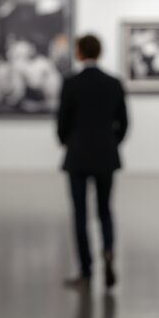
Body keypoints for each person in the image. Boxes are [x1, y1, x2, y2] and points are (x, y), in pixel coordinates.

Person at [57, 34, 128, 290]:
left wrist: (69, 142)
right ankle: (108, 251)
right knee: (105, 210)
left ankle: (86, 270)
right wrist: (111, 143)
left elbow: (62, 122)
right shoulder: (114, 83)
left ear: (79, 53)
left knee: (80, 214)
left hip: (77, 155)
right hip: (106, 155)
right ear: (99, 53)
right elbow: (124, 122)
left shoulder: (71, 83)